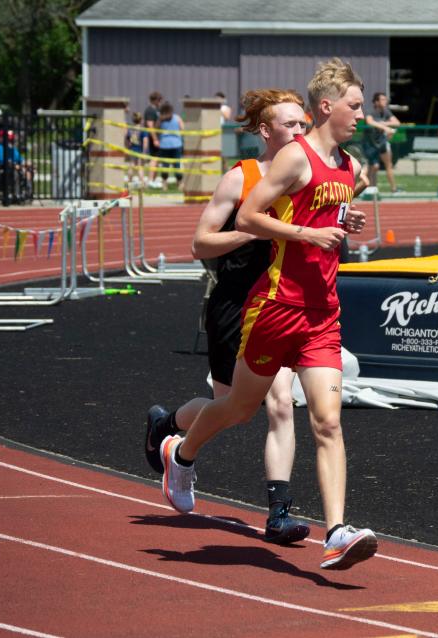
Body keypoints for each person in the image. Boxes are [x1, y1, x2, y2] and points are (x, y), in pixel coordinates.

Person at [157, 58, 377, 571]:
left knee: (328, 422)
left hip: (322, 312)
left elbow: (324, 213)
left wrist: (346, 219)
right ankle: (181, 454)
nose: (362, 115)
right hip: (274, 307)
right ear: (328, 105)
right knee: (238, 408)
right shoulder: (293, 160)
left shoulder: (347, 164)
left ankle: (337, 530)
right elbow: (253, 215)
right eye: (355, 106)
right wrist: (305, 235)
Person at [146, 89, 312, 545]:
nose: (301, 131)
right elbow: (200, 244)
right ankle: (170, 430)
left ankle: (278, 512)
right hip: (236, 304)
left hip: (283, 303)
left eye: (304, 123)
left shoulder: (307, 175)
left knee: (281, 404)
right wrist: (250, 229)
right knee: (234, 410)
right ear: (266, 131)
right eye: (291, 124)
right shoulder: (243, 178)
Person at [362, 92, 401, 193]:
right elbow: (370, 121)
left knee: (389, 165)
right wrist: (384, 127)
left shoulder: (386, 112)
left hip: (382, 142)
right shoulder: (371, 111)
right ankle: (363, 188)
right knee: (373, 166)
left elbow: (397, 123)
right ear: (376, 102)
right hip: (370, 143)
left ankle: (394, 189)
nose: (385, 101)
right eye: (382, 99)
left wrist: (384, 123)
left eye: (385, 99)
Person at [156, 102, 184, 190]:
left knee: (165, 165)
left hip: (164, 144)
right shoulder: (177, 117)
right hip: (176, 144)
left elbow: (156, 129)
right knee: (177, 165)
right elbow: (182, 128)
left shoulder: (160, 120)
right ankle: (179, 183)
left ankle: (164, 184)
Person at [144, 90, 163, 188]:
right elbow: (150, 126)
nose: (160, 102)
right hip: (153, 138)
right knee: (154, 159)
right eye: (159, 100)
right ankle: (150, 180)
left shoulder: (156, 110)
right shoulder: (150, 110)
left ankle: (154, 179)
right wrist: (155, 139)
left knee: (157, 160)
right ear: (155, 100)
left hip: (158, 137)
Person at [125, 112, 147, 189]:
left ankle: (129, 182)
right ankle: (142, 183)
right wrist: (144, 152)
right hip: (139, 150)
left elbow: (127, 140)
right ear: (141, 120)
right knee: (140, 167)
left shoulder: (130, 129)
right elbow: (145, 141)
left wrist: (128, 148)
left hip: (132, 150)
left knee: (131, 166)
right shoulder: (142, 129)